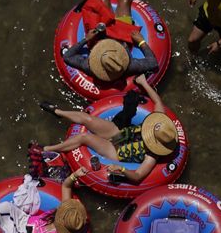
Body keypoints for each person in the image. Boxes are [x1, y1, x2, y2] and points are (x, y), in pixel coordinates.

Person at [38, 76, 177, 185]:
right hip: (121, 134)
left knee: (84, 137)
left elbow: (138, 176)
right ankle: (59, 112)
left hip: (116, 151)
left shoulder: (152, 156)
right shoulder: (160, 123)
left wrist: (121, 169)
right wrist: (144, 82)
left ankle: (47, 148)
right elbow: (158, 102)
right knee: (88, 119)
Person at [60, 30, 159, 85]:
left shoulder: (88, 66)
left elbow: (67, 57)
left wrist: (86, 39)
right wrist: (141, 42)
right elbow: (153, 63)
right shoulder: (130, 66)